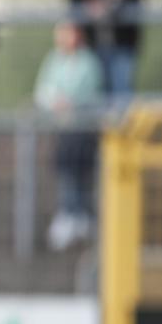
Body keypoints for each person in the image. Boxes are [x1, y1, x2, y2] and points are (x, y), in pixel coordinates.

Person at [34, 20, 104, 251]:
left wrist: (68, 102)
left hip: (82, 130)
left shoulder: (88, 62)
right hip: (62, 130)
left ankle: (82, 215)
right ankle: (69, 213)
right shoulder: (54, 60)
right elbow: (43, 90)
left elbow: (88, 91)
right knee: (66, 171)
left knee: (81, 171)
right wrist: (55, 101)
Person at [89, 0, 142, 105]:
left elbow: (120, 8)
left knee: (122, 88)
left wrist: (104, 8)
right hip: (102, 46)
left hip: (123, 48)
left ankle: (127, 126)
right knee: (104, 89)